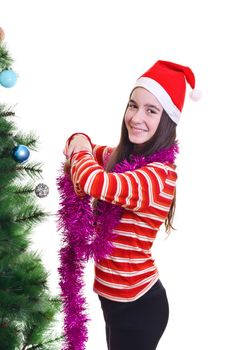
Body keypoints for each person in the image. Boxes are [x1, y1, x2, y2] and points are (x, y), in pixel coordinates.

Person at [63, 60, 199, 350]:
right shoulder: (122, 161)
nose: (136, 117)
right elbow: (79, 145)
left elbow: (92, 181)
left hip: (139, 306)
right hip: (113, 300)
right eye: (133, 105)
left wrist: (81, 148)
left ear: (167, 121)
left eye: (151, 110)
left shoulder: (157, 176)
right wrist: (79, 140)